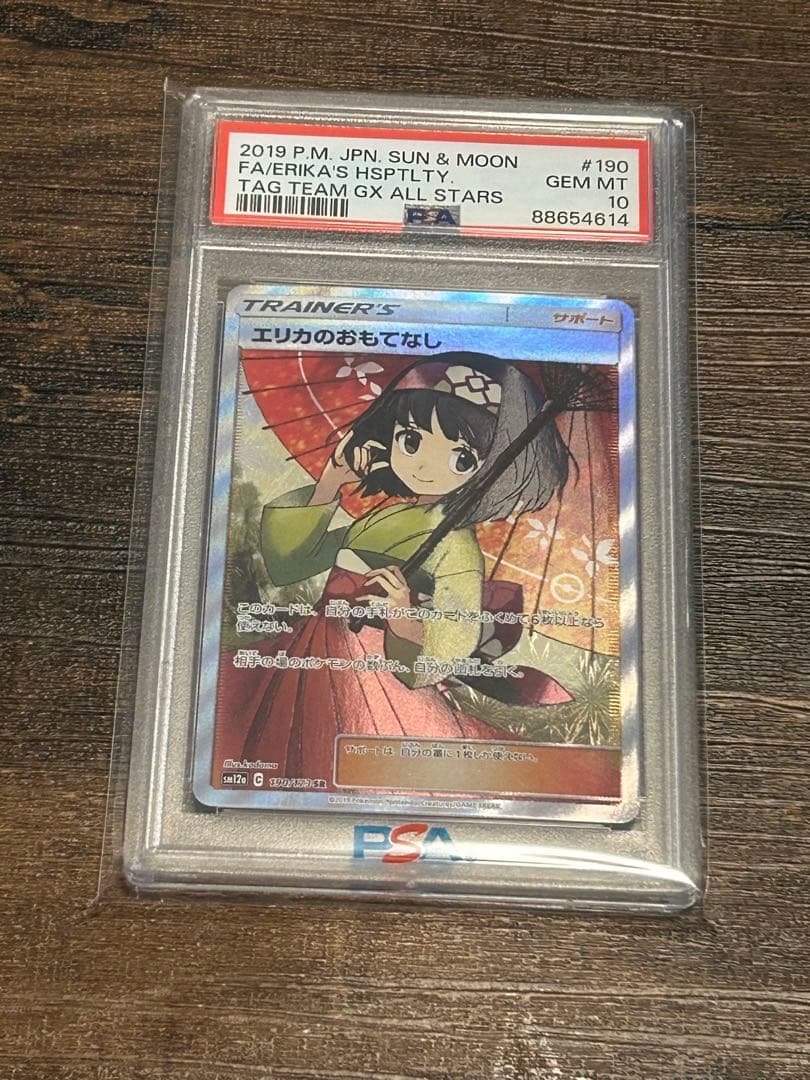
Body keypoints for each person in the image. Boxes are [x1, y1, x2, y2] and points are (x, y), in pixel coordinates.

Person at [216, 352, 573, 785]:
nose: (422, 466)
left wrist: (405, 616)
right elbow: (292, 563)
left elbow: (458, 626)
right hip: (313, 646)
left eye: (461, 458)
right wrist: (331, 483)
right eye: (411, 440)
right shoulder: (383, 516)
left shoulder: (455, 544)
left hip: (373, 664)